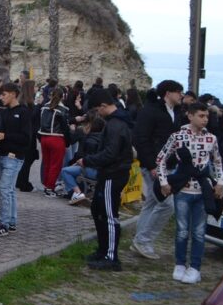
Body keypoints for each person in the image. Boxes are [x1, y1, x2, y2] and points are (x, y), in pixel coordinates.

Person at [156, 102, 223, 285]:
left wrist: (220, 182)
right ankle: (180, 264)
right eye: (201, 116)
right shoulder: (178, 136)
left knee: (199, 232)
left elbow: (217, 162)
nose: (205, 119)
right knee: (182, 230)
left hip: (202, 190)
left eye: (207, 116)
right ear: (190, 116)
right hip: (183, 190)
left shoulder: (211, 138)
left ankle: (195, 267)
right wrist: (163, 182)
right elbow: (161, 159)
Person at [131, 80, 186, 261]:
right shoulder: (150, 111)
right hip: (154, 166)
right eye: (178, 91)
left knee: (152, 204)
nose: (181, 95)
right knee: (167, 205)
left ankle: (139, 240)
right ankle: (143, 240)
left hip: (169, 165)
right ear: (168, 93)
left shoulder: (175, 112)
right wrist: (151, 165)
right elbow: (141, 139)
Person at [80, 87, 133, 271]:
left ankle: (111, 256)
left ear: (103, 106)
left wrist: (88, 160)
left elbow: (111, 153)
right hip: (108, 173)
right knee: (97, 210)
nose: (97, 114)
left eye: (97, 110)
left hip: (114, 174)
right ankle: (103, 250)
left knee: (110, 215)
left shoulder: (116, 125)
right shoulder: (114, 122)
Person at [0, 83, 31, 237]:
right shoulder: (5, 112)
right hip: (2, 155)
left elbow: (26, 138)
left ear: (13, 94)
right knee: (9, 190)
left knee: (4, 190)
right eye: (0, 94)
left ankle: (4, 224)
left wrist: (6, 136)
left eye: (4, 94)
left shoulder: (23, 112)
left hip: (14, 157)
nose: (1, 97)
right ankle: (11, 221)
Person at [61, 115, 104, 204]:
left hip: (92, 170)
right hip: (101, 170)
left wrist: (80, 162)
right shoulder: (103, 138)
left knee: (65, 171)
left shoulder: (90, 140)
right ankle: (76, 192)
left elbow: (87, 158)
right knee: (73, 168)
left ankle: (77, 193)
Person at [38, 88, 71, 196]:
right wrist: (68, 141)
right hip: (57, 139)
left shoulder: (44, 107)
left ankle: (46, 185)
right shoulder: (63, 109)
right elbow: (65, 128)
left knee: (47, 163)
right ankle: (50, 188)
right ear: (62, 97)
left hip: (44, 138)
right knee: (55, 165)